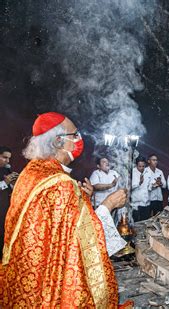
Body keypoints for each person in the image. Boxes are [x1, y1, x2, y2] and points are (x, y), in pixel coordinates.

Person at [0, 112, 129, 307]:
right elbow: (82, 242)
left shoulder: (32, 171)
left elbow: (57, 224)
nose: (80, 139)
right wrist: (109, 205)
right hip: (49, 290)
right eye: (75, 135)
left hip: (28, 280)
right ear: (58, 142)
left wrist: (83, 198)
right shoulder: (61, 184)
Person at [0, 146, 18, 259]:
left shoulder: (6, 170)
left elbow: (9, 187)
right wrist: (5, 182)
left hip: (5, 210)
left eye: (9, 158)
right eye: (4, 157)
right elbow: (4, 184)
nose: (7, 161)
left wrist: (15, 182)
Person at [131, 156, 150, 222]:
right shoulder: (132, 173)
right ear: (136, 165)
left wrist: (154, 185)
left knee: (145, 223)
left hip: (146, 203)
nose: (142, 168)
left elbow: (148, 186)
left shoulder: (147, 172)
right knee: (136, 224)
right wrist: (139, 183)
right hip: (136, 204)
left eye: (143, 166)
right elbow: (130, 187)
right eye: (140, 166)